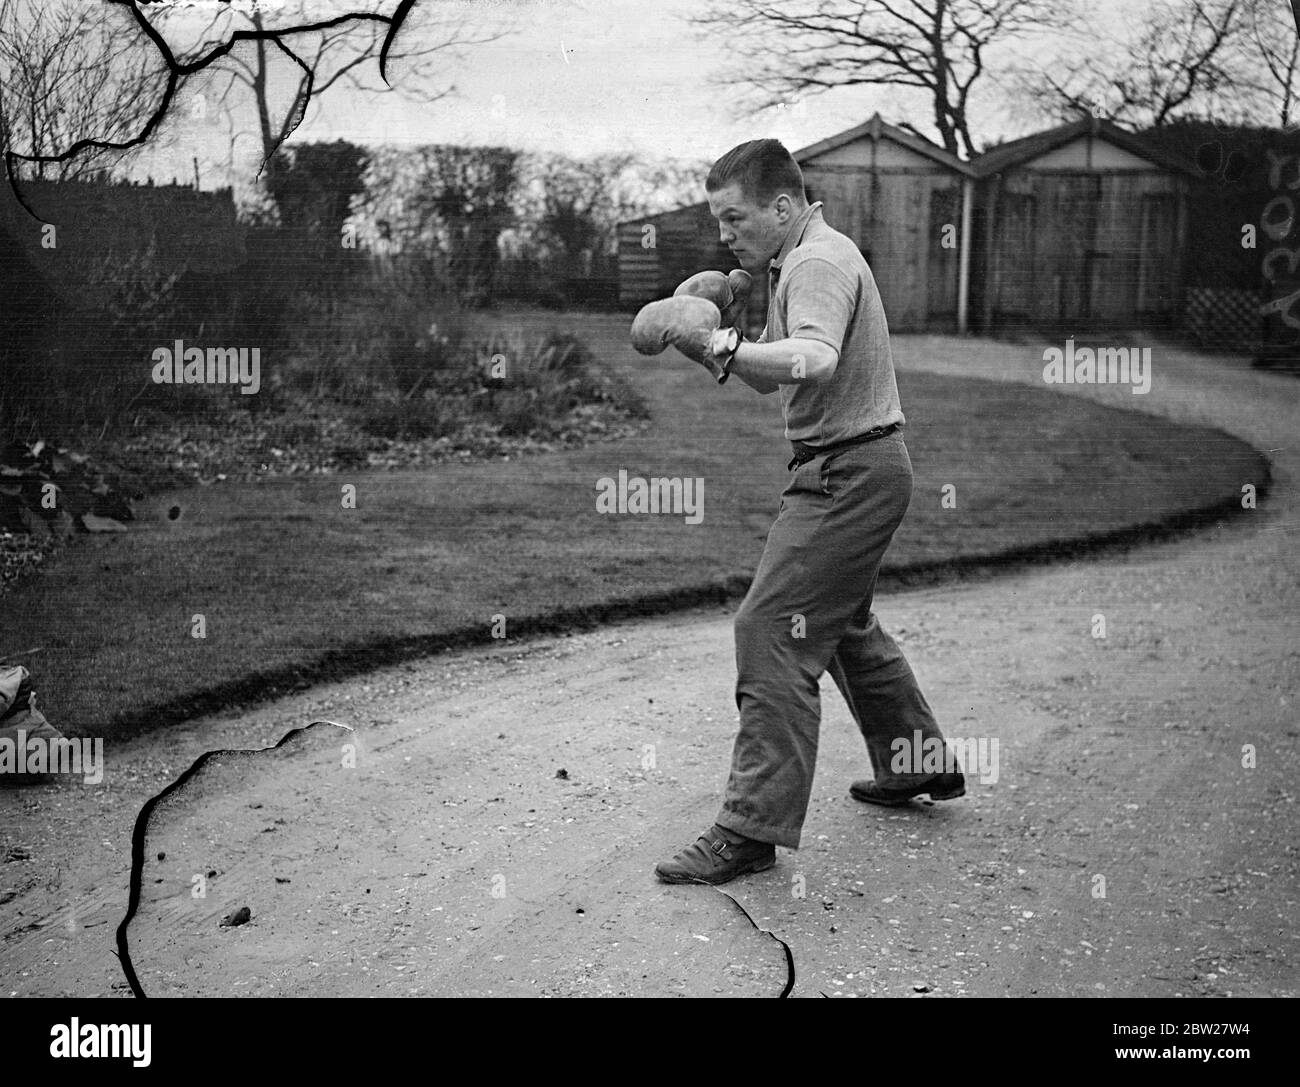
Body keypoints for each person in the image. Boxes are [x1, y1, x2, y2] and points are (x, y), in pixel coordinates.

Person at [651, 139, 964, 886]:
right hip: (858, 467)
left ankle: (749, 830)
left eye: (735, 218)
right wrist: (705, 342)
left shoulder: (818, 264)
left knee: (770, 627)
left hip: (848, 473)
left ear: (784, 207)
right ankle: (919, 764)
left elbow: (814, 359)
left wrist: (716, 339)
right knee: (843, 625)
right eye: (719, 222)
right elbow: (772, 378)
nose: (726, 236)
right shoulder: (798, 261)